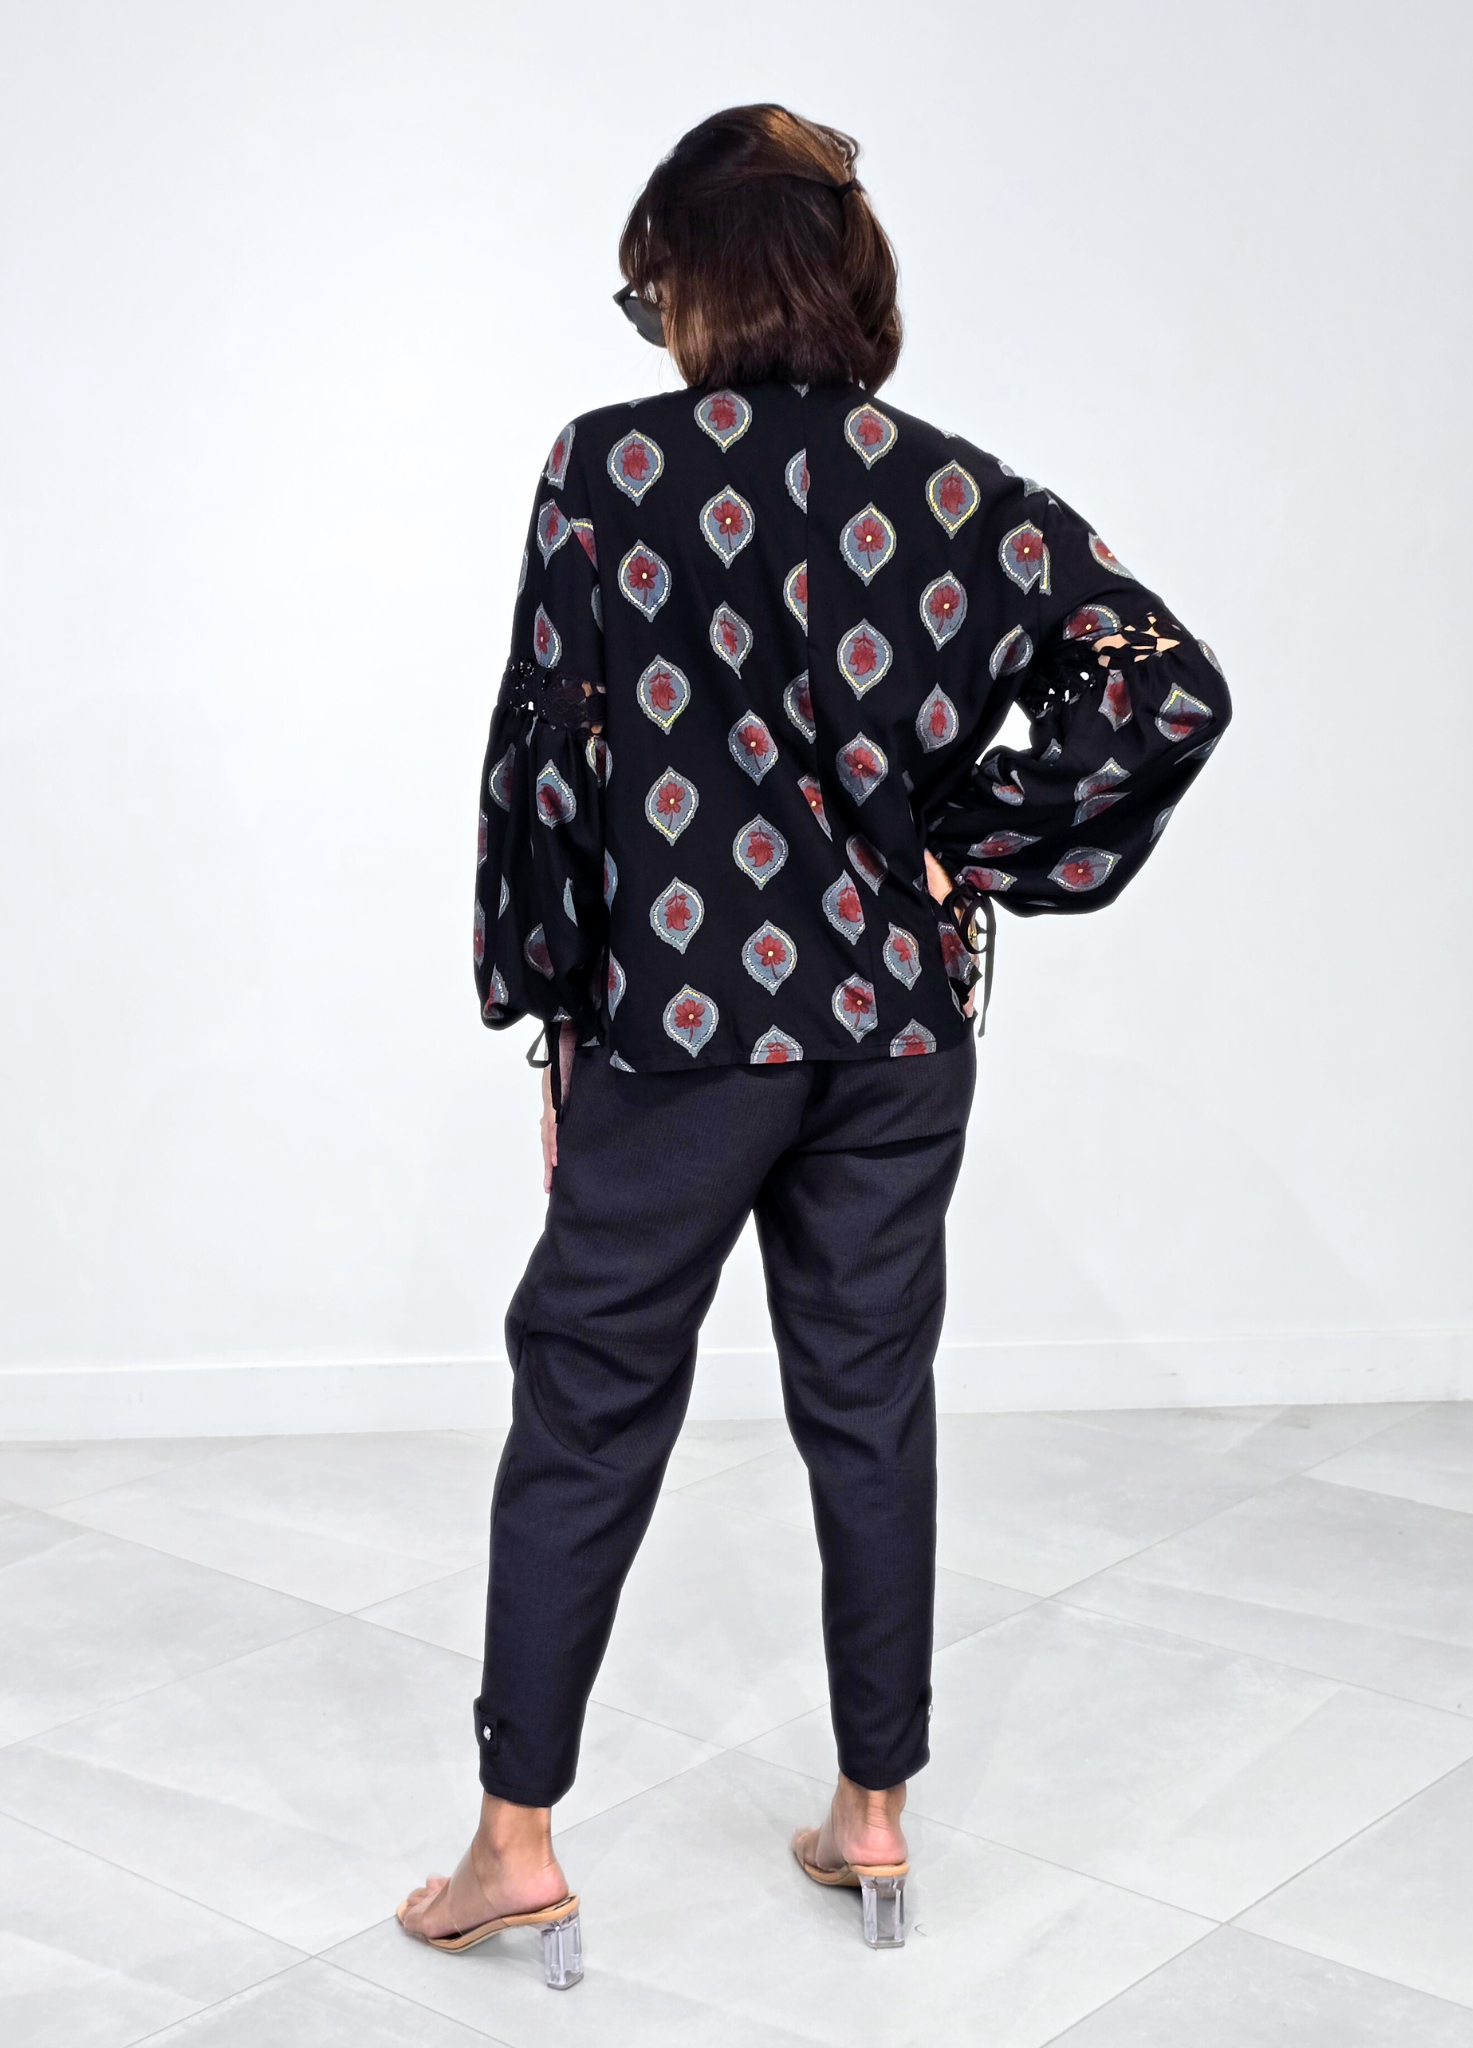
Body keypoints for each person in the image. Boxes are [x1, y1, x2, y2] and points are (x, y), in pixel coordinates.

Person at [398, 102, 1231, 1982]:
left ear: (694, 281)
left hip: (685, 1028)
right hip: (897, 1026)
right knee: (869, 1396)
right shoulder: (959, 494)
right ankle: (873, 1810)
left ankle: (513, 1844)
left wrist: (550, 1006)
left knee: (589, 1397)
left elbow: (547, 759)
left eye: (650, 289)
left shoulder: (609, 470)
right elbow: (1168, 686)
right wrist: (974, 843)